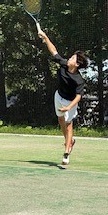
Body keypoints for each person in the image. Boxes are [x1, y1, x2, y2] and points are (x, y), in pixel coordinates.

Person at [38, 29, 88, 167]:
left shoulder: (79, 80)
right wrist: (46, 37)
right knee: (60, 120)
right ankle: (69, 141)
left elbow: (78, 97)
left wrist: (68, 107)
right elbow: (53, 51)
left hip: (70, 102)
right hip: (58, 96)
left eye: (72, 58)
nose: (69, 59)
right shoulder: (64, 64)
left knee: (69, 124)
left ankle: (66, 153)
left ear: (77, 64)